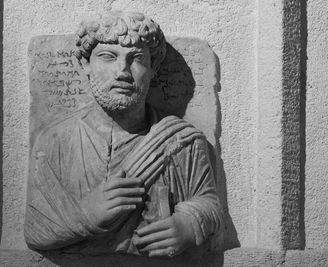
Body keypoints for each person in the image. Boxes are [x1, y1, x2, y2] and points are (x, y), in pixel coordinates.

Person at [24, 11, 222, 258]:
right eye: (108, 57)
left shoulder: (182, 141)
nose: (123, 72)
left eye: (137, 58)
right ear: (85, 64)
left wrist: (190, 225)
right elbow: (35, 230)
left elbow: (209, 203)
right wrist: (85, 216)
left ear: (153, 67)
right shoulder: (55, 141)